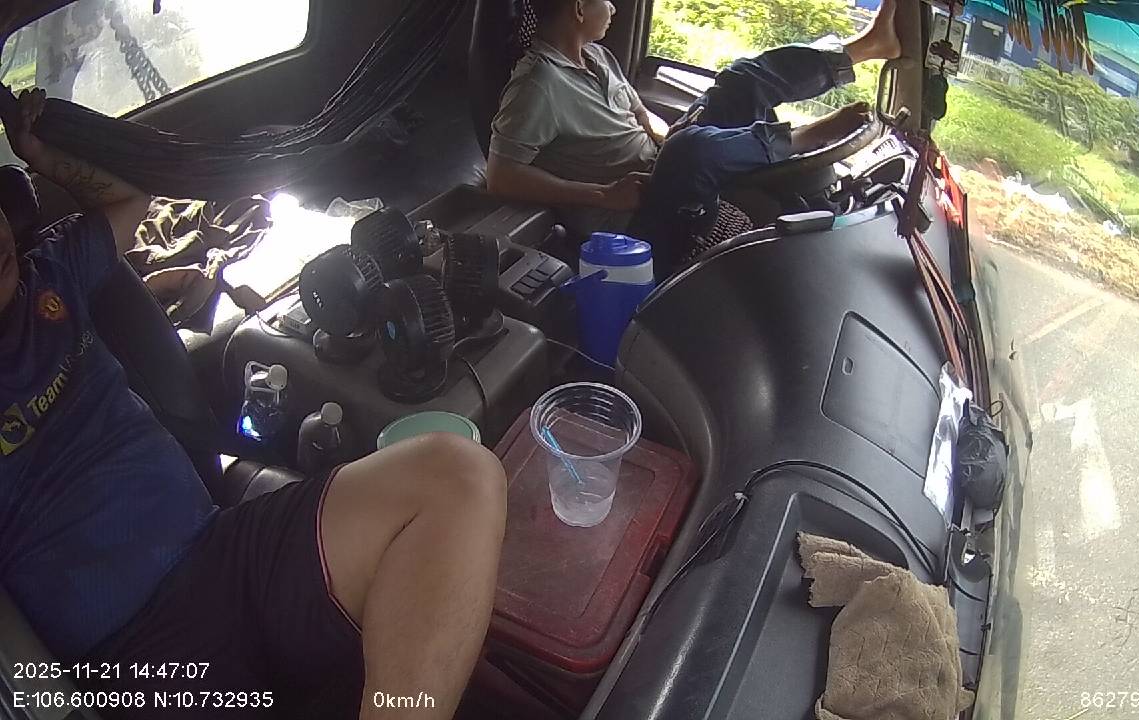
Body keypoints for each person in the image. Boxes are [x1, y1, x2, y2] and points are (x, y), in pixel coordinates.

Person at [0, 87, 507, 719]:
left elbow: (129, 200)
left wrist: (44, 156)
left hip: (223, 549)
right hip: (129, 656)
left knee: (457, 473)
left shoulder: (50, 275)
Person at [486, 0, 902, 275]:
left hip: (664, 170)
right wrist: (603, 195)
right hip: (635, 223)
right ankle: (796, 139)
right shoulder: (537, 85)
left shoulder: (596, 55)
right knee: (689, 151)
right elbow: (501, 176)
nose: (613, 8)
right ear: (579, 8)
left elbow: (638, 113)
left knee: (739, 80)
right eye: (605, 0)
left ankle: (864, 48)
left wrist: (665, 134)